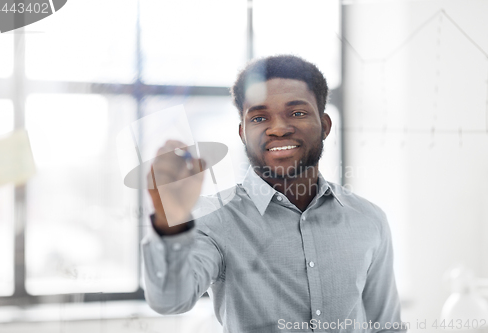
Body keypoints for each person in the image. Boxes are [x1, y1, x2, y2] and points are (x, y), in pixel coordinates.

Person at [141, 55, 406, 332]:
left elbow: (385, 327)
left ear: (325, 125)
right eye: (259, 117)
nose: (278, 128)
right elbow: (169, 301)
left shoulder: (368, 219)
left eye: (298, 113)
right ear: (243, 133)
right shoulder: (214, 219)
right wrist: (167, 220)